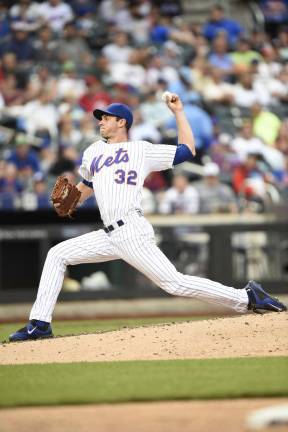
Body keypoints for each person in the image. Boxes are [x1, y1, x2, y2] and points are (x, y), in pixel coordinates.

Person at [9, 94, 286, 341]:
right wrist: (71, 200)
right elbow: (86, 188)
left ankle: (246, 297)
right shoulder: (93, 152)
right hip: (108, 235)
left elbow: (187, 150)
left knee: (174, 283)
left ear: (122, 122)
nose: (101, 122)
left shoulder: (140, 149)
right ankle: (40, 324)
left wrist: (178, 112)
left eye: (106, 118)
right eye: (100, 118)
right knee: (57, 254)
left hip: (131, 230)